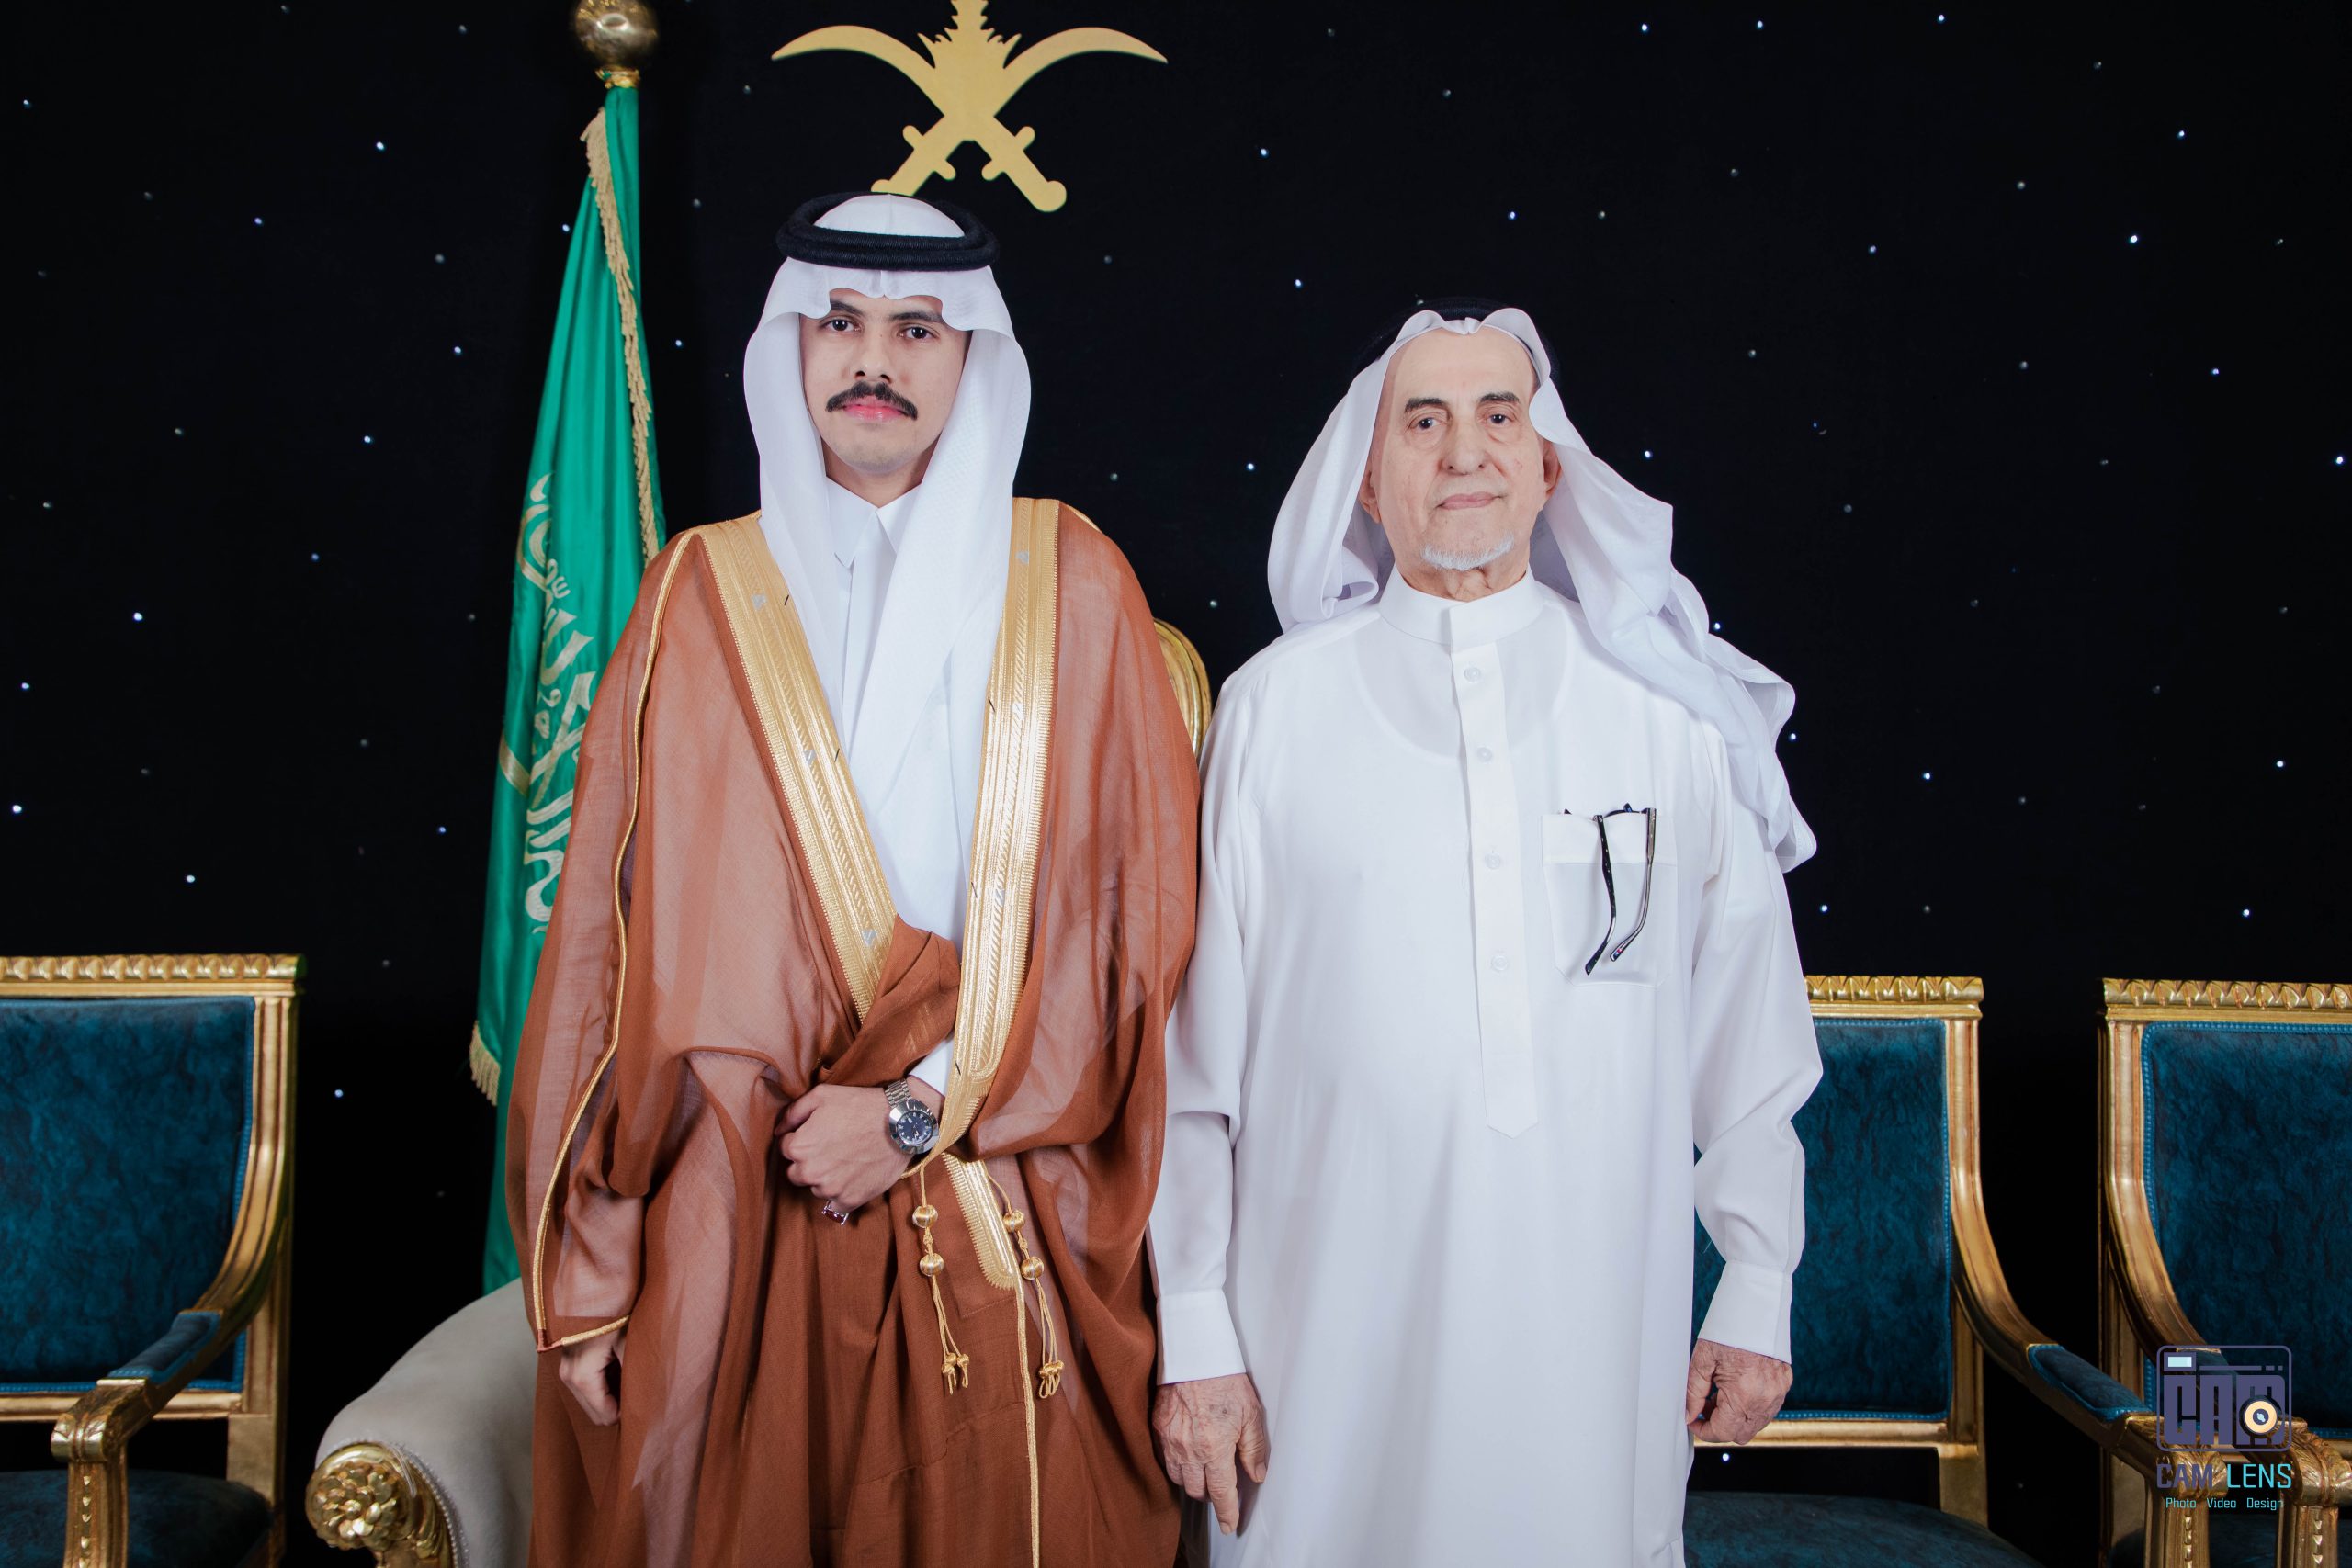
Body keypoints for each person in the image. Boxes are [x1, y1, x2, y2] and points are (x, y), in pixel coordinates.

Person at [508, 193, 1193, 1567]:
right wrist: (587, 1261)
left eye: (917, 329)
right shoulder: (694, 592)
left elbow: (1128, 928)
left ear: (972, 354)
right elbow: (604, 944)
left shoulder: (1073, 581)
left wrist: (915, 1109)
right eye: (841, 323)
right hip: (734, 1202)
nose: (873, 359)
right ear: (793, 344)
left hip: (1001, 1181)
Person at [1147, 301, 1823, 1566]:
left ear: (1549, 464)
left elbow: (1752, 1039)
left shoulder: (1664, 722)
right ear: (1366, 481)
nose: (1466, 450)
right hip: (1317, 1351)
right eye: (1424, 421)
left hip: (1591, 1342)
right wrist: (1193, 1326)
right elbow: (1191, 1075)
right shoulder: (1270, 715)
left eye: (1498, 415)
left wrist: (1756, 1279)